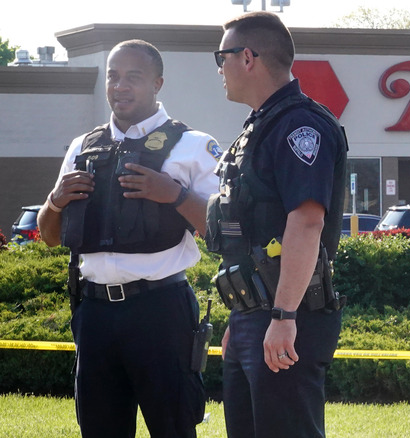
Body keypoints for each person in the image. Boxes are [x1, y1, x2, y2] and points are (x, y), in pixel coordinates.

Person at [37, 39, 221, 438]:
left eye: (132, 77)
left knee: (173, 428)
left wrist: (173, 194)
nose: (120, 86)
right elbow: (49, 237)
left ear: (157, 83)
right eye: (113, 76)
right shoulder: (82, 147)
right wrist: (54, 202)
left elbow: (221, 230)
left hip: (161, 311)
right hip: (95, 313)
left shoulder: (192, 145)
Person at [206, 12, 348, 438]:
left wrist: (283, 315)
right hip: (257, 314)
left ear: (247, 57)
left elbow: (306, 223)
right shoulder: (260, 126)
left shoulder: (299, 125)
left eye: (222, 57)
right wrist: (244, 315)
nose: (219, 69)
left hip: (290, 315)